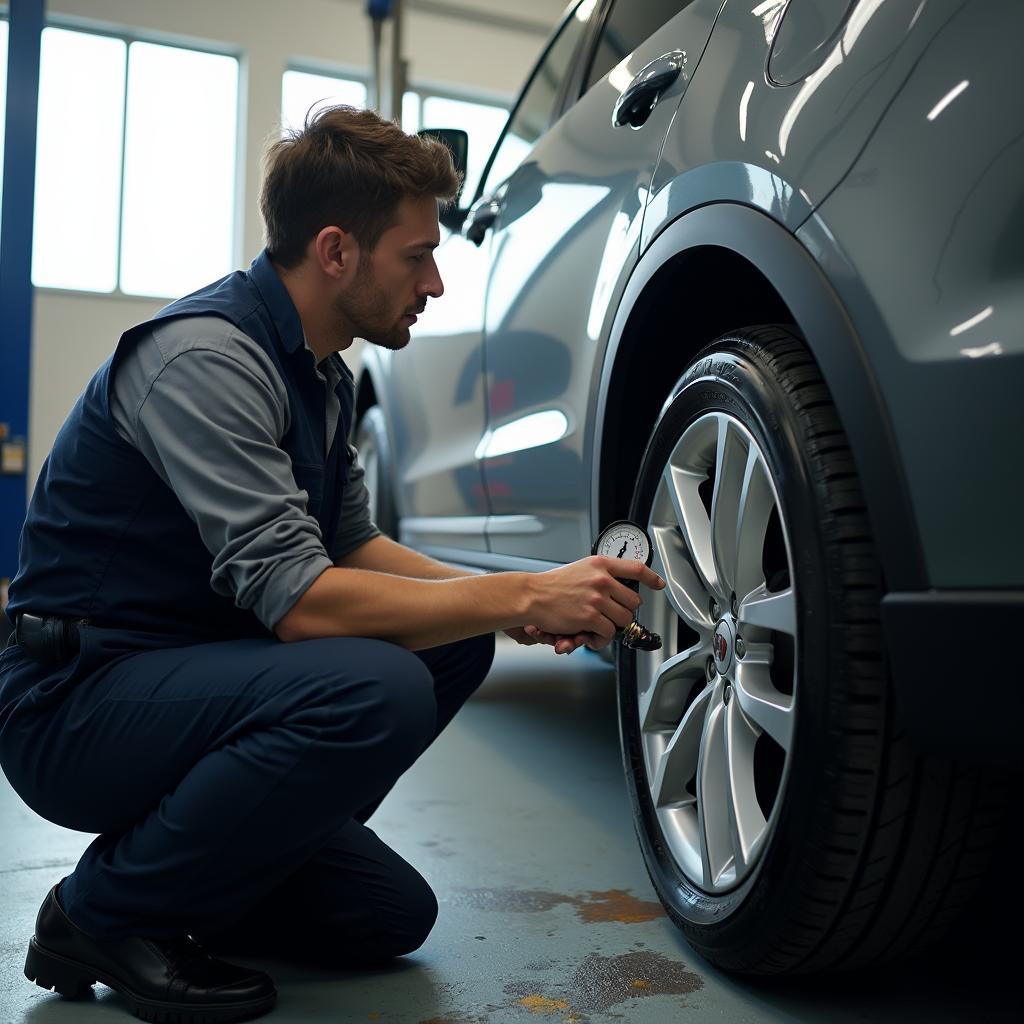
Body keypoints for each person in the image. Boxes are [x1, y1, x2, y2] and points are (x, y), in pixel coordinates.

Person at [0, 105, 664, 1024]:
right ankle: (98, 914)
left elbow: (352, 546)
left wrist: (513, 603)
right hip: (75, 702)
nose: (434, 282)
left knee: (387, 911)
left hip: (186, 684)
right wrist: (516, 590)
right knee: (374, 686)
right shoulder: (204, 360)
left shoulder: (322, 375)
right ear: (336, 251)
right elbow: (304, 606)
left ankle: (197, 858)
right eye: (417, 255)